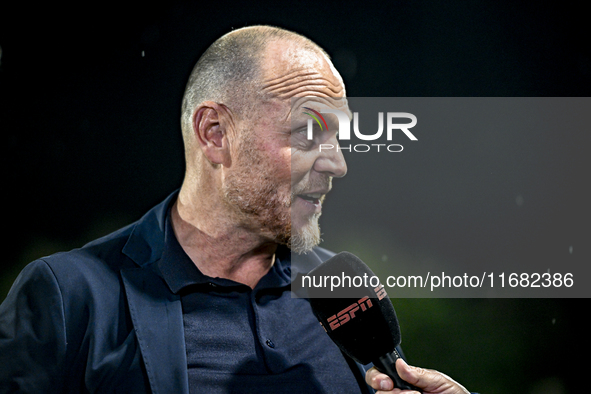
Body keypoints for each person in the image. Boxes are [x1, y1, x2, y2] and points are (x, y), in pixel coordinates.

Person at [0, 25, 472, 393]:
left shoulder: (342, 288)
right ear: (215, 133)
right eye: (309, 134)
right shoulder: (69, 296)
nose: (339, 164)